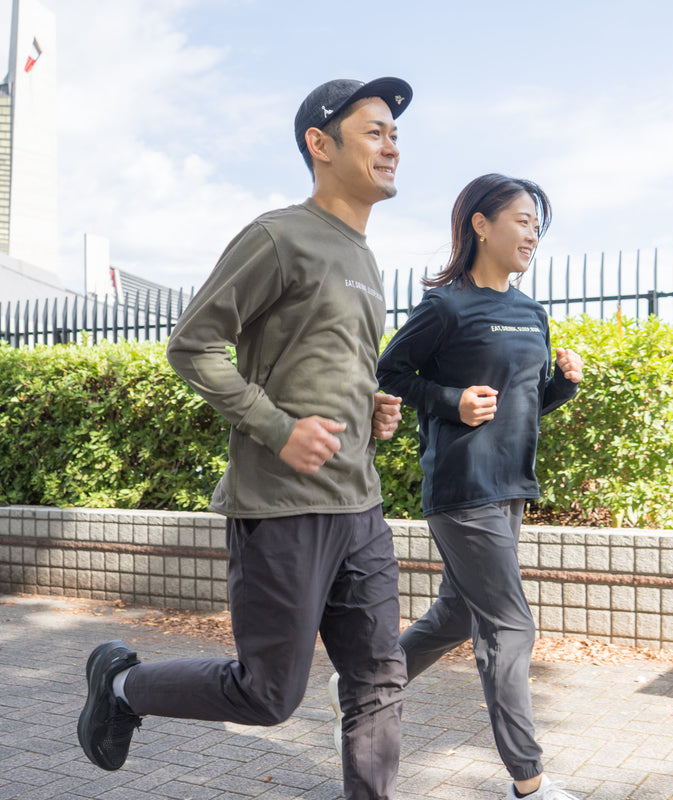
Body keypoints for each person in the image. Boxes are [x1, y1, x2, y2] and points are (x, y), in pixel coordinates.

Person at [77, 76, 413, 800]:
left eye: (394, 131)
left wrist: (372, 408)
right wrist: (277, 429)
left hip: (360, 509)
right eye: (375, 130)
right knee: (269, 695)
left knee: (380, 679)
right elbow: (193, 346)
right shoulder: (278, 236)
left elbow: (324, 368)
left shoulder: (366, 258)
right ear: (320, 145)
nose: (393, 144)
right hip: (282, 508)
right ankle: (123, 684)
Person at [377, 173, 583, 799]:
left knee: (458, 613)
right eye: (522, 220)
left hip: (511, 485)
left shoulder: (531, 313)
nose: (532, 235)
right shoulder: (446, 307)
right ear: (481, 224)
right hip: (463, 488)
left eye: (538, 226)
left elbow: (522, 404)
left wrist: (562, 387)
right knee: (510, 625)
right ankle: (530, 782)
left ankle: (362, 686)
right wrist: (450, 401)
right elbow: (391, 370)